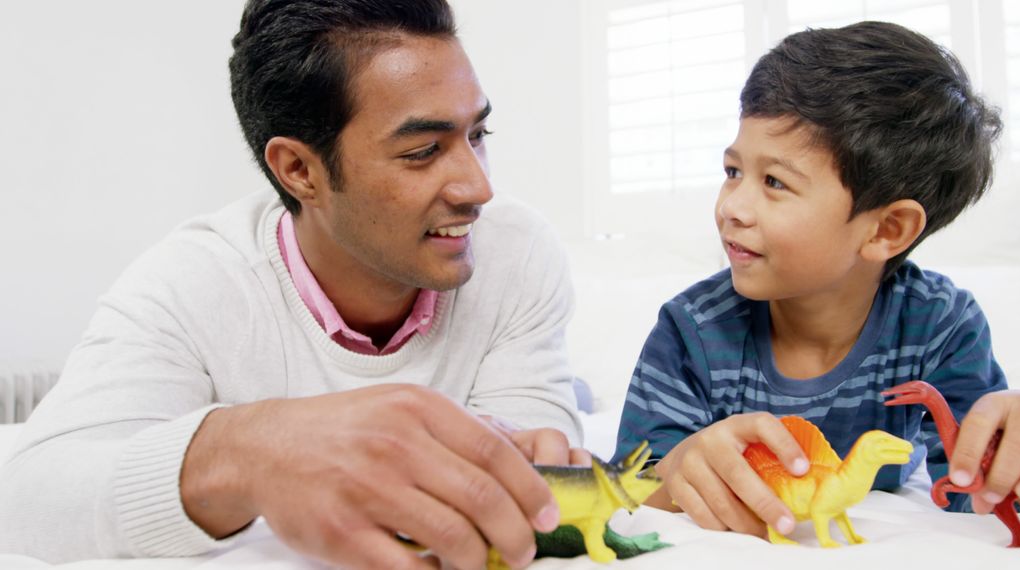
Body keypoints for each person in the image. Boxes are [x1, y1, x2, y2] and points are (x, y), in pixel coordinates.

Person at [0, 1, 588, 569]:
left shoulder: (519, 252)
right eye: (422, 150)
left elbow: (532, 458)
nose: (477, 187)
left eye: (478, 134)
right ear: (299, 170)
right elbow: (27, 502)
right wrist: (248, 449)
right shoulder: (189, 284)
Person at [613, 21, 1020, 539]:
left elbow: (973, 493)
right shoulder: (691, 328)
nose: (732, 208)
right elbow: (628, 483)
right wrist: (676, 471)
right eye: (732, 172)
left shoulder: (938, 324)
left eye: (774, 182)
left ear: (887, 229)